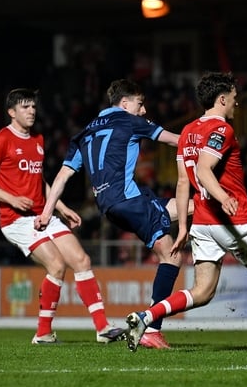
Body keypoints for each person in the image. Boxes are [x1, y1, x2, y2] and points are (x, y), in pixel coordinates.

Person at [124, 71, 247, 354]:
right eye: (235, 99)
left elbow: (183, 182)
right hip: (234, 223)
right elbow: (203, 170)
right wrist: (224, 197)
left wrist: (185, 228)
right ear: (222, 99)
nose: (237, 105)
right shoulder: (222, 130)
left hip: (203, 224)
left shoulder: (187, 131)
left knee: (202, 292)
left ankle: (147, 318)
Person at [36, 79, 186, 349]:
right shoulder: (130, 121)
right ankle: (152, 327)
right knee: (172, 256)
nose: (142, 111)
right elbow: (177, 141)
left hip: (109, 206)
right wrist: (210, 142)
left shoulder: (83, 133)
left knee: (189, 206)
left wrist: (47, 212)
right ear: (125, 103)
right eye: (139, 104)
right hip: (129, 200)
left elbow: (61, 176)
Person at [0, 88, 125, 344]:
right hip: (15, 221)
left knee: (82, 259)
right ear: (12, 112)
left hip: (42, 215)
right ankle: (43, 331)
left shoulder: (38, 139)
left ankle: (102, 328)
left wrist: (61, 207)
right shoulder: (0, 140)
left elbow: (38, 179)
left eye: (33, 106)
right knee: (56, 264)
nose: (31, 111)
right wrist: (11, 199)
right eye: (25, 107)